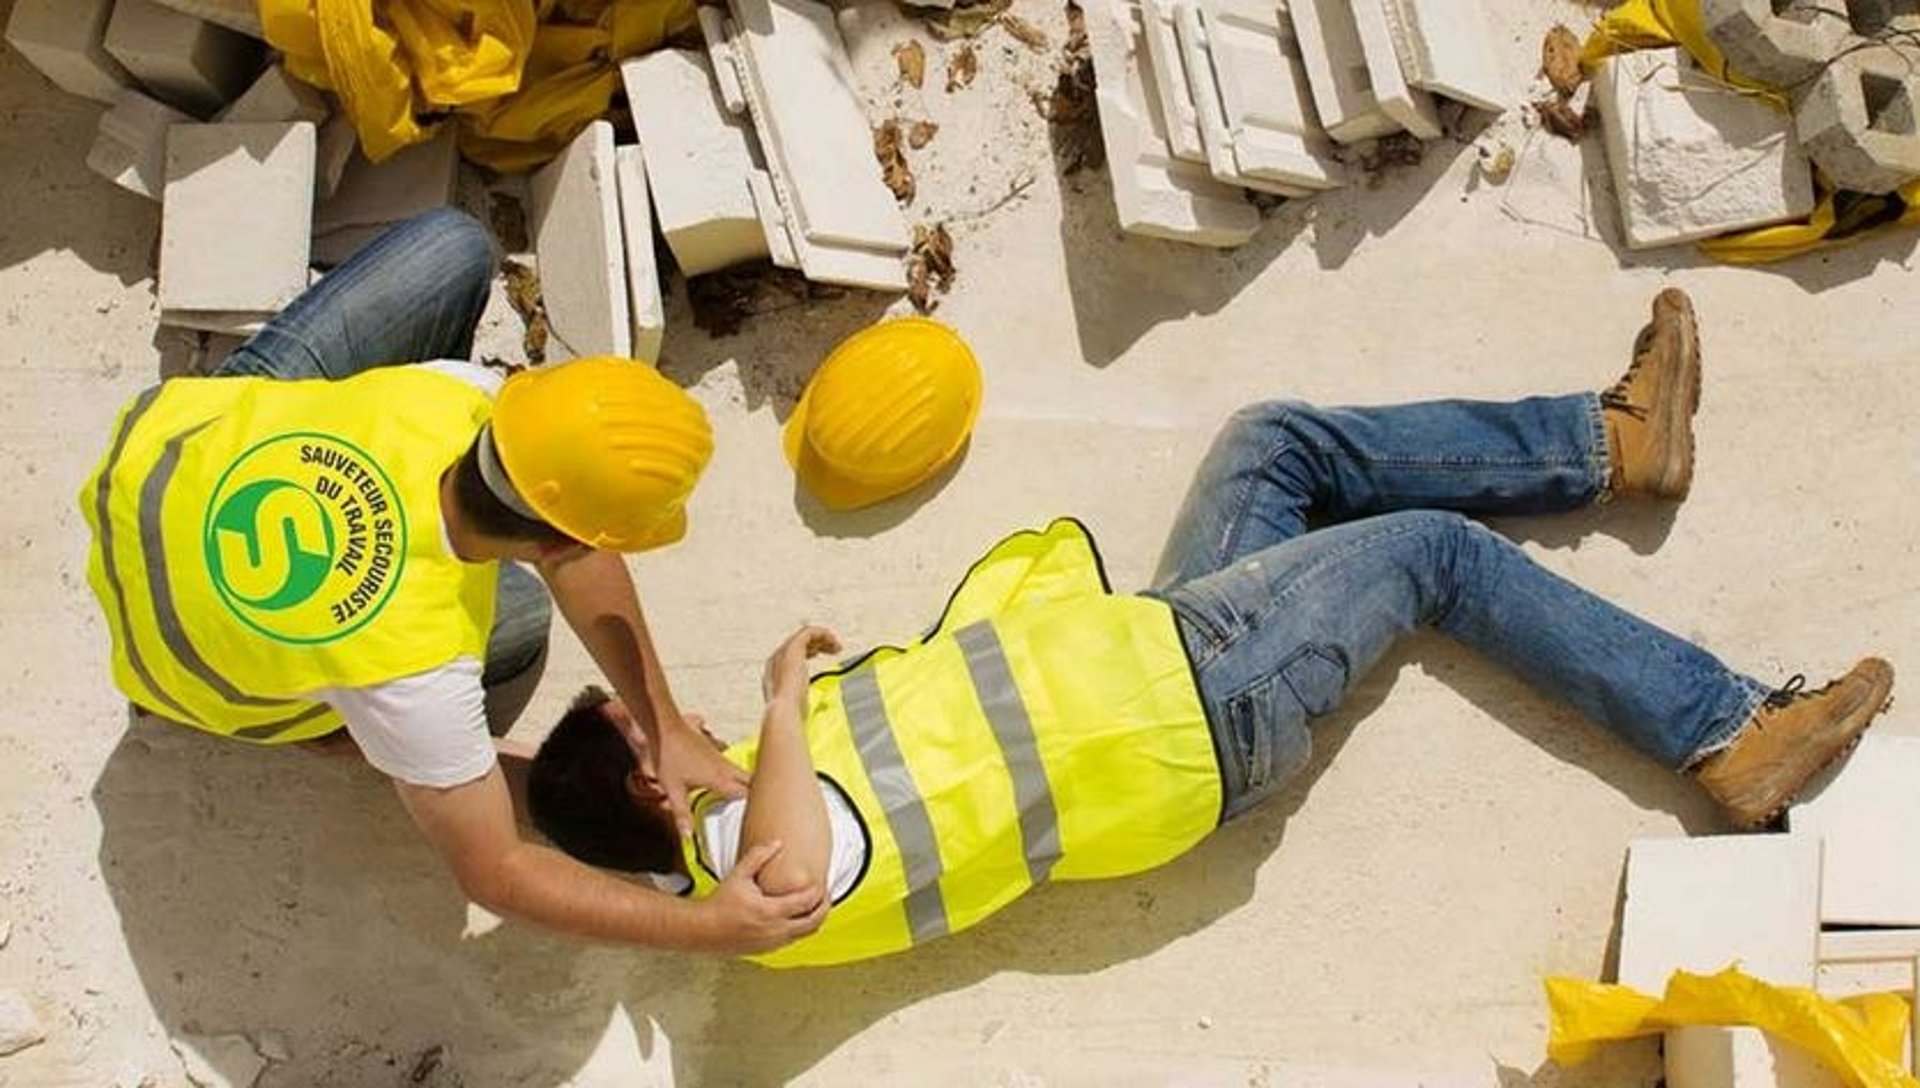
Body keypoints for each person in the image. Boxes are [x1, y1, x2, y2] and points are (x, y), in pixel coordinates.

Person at [526, 288, 1895, 967]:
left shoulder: (718, 837)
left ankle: (1608, 441)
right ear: (653, 782)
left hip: (1154, 655)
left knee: (1273, 444)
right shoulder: (748, 874)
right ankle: (1727, 730)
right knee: (1430, 555)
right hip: (1199, 709)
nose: (674, 708)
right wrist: (771, 701)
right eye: (646, 719)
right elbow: (799, 864)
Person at [80, 207, 825, 953]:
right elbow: (495, 871)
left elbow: (575, 544)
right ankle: (327, 731)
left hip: (166, 458)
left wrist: (660, 725)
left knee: (456, 248)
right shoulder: (417, 665)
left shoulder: (449, 396)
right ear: (559, 537)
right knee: (523, 621)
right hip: (185, 668)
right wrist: (709, 926)